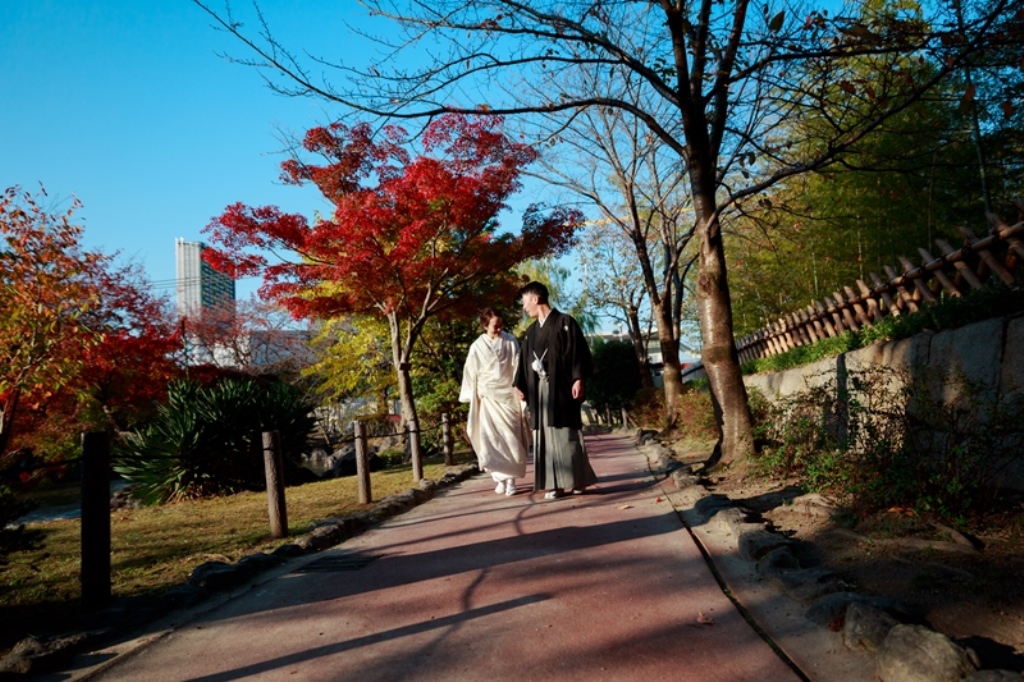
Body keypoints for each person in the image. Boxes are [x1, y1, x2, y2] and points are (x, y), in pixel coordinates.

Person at [513, 281, 597, 499]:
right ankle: (554, 484)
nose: (524, 307)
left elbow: (577, 352)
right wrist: (518, 384)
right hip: (538, 391)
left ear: (536, 299)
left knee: (566, 433)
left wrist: (578, 378)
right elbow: (522, 362)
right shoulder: (531, 332)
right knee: (543, 437)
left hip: (561, 387)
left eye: (525, 301)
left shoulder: (565, 322)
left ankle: (578, 480)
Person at [459, 307, 529, 496]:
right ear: (484, 325)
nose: (499, 329)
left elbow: (518, 367)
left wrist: (520, 387)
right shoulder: (476, 346)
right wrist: (471, 395)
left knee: (511, 438)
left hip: (508, 396)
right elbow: (470, 372)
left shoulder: (511, 341)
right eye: (494, 326)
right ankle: (499, 478)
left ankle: (511, 480)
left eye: (501, 325)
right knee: (491, 440)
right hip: (487, 398)